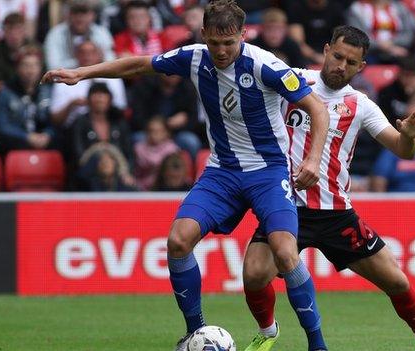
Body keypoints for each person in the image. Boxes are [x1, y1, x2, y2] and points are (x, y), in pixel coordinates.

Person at [41, 1, 331, 350]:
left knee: (286, 253)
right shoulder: (194, 56)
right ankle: (196, 332)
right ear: (203, 34)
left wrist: (313, 160)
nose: (221, 51)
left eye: (229, 43)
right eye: (214, 42)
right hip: (222, 171)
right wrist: (82, 73)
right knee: (178, 240)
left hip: (267, 173)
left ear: (243, 34)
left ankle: (317, 343)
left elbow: (317, 108)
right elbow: (139, 63)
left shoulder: (265, 66)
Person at [241, 26, 415, 351]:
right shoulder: (293, 81)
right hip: (285, 206)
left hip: (336, 213)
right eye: (337, 56)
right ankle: (268, 332)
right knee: (253, 274)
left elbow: (402, 150)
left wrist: (408, 136)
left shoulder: (360, 104)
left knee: (395, 280)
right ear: (325, 50)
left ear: (361, 67)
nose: (341, 65)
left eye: (351, 62)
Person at [0, 46, 57, 153]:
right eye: (26, 65)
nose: (30, 70)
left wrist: (48, 134)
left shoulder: (48, 91)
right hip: (15, 144)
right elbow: (2, 126)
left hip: (44, 142)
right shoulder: (6, 92)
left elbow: (55, 121)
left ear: (40, 68)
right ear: (17, 68)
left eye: (34, 65)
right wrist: (27, 136)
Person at [43, 0, 115, 70]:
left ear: (92, 15)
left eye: (84, 12)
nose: (79, 17)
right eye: (75, 12)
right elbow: (52, 66)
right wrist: (82, 60)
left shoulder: (101, 32)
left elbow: (111, 62)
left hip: (97, 76)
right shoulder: (56, 33)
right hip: (65, 78)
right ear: (69, 15)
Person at [135, 116, 181, 190]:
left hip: (164, 189)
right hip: (141, 189)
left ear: (166, 132)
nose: (154, 134)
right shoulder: (139, 148)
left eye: (157, 131)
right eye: (151, 131)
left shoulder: (172, 149)